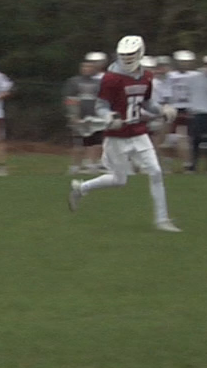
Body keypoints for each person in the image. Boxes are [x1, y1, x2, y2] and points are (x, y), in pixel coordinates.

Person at [67, 35, 181, 233]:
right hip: (116, 136)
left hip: (138, 132)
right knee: (119, 180)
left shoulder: (146, 76)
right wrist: (110, 117)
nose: (127, 59)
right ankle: (81, 188)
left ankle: (162, 219)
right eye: (124, 55)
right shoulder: (111, 78)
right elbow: (101, 106)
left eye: (131, 55)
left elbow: (146, 102)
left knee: (155, 172)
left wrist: (162, 110)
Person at [63, 58, 104, 174]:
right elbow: (70, 99)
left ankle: (92, 165)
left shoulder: (99, 83)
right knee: (78, 143)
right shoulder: (74, 82)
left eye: (90, 67)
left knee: (95, 143)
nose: (87, 69)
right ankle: (75, 166)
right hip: (79, 117)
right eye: (85, 67)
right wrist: (73, 115)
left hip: (95, 117)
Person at [167, 50, 198, 170]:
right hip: (174, 108)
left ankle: (188, 163)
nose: (184, 64)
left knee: (188, 138)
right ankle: (170, 163)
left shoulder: (196, 75)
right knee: (171, 138)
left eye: (186, 62)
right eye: (181, 62)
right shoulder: (170, 75)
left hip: (191, 108)